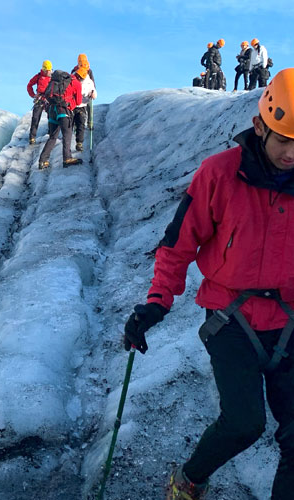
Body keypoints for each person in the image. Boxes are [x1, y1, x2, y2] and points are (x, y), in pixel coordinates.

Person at [124, 68, 294, 500]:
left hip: (290, 322)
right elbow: (177, 244)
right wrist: (156, 303)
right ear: (260, 126)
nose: (292, 153)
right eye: (284, 140)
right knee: (244, 422)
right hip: (230, 319)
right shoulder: (219, 174)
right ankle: (189, 480)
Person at [38, 70, 82, 169]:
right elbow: (79, 101)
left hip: (52, 110)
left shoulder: (58, 80)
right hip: (63, 111)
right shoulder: (76, 83)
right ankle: (67, 158)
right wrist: (71, 105)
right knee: (67, 135)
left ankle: (42, 161)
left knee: (52, 137)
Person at [26, 60, 52, 145]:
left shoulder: (53, 78)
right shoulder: (38, 76)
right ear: (44, 70)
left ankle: (50, 134)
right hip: (40, 98)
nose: (49, 72)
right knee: (35, 118)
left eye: (50, 70)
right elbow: (29, 85)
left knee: (51, 117)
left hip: (49, 99)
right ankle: (32, 137)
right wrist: (33, 95)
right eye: (47, 70)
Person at [72, 66, 97, 152]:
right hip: (73, 105)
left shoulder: (89, 82)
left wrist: (93, 94)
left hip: (82, 105)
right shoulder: (73, 79)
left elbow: (94, 92)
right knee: (74, 123)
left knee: (81, 124)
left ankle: (79, 142)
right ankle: (74, 140)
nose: (78, 78)